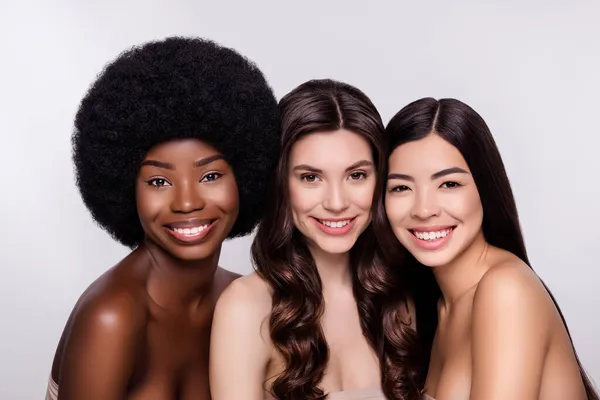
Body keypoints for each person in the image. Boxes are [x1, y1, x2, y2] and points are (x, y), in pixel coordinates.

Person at [46, 36, 280, 400]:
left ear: (245, 178)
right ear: (127, 188)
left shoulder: (243, 300)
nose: (187, 202)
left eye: (210, 176)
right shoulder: (113, 317)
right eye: (159, 181)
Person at [209, 79, 423, 400]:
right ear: (281, 184)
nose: (336, 202)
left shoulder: (398, 296)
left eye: (356, 175)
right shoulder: (245, 308)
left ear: (379, 178)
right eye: (311, 177)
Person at [379, 97, 599, 400]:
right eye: (401, 187)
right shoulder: (435, 306)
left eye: (449, 184)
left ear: (484, 188)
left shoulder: (505, 290)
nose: (423, 209)